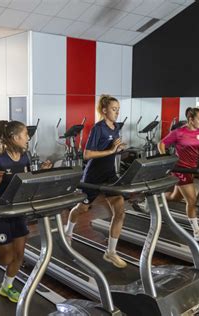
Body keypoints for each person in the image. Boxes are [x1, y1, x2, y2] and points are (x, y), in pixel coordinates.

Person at [0, 120, 52, 303]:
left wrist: (41, 172)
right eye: (25, 135)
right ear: (15, 138)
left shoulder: (25, 156)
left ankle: (6, 286)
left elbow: (28, 178)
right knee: (6, 257)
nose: (28, 138)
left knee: (19, 256)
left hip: (18, 211)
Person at [64, 94, 128, 268]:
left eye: (118, 109)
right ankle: (68, 231)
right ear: (104, 110)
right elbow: (87, 154)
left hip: (109, 174)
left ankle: (111, 252)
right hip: (93, 175)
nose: (117, 112)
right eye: (114, 109)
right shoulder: (98, 128)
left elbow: (111, 148)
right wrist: (110, 151)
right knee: (82, 209)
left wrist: (118, 149)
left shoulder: (115, 128)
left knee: (120, 211)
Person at [158, 107, 199, 242]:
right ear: (191, 119)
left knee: (175, 197)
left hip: (191, 170)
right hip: (180, 169)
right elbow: (161, 144)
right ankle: (196, 232)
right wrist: (165, 159)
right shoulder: (178, 132)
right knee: (192, 200)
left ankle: (156, 198)